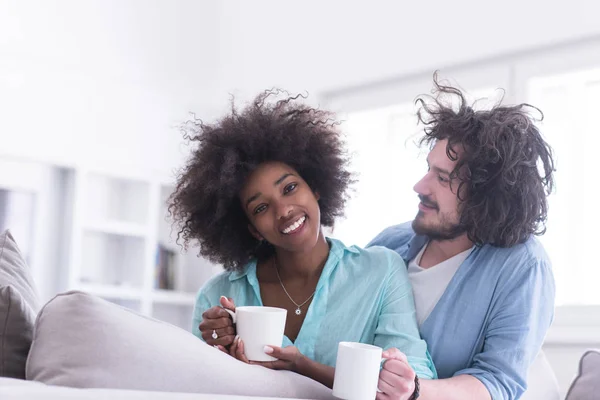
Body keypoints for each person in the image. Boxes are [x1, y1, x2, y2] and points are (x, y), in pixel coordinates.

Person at [168, 90, 436, 399]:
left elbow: (408, 380)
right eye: (260, 208)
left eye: (290, 188)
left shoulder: (380, 271)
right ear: (252, 229)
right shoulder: (218, 295)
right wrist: (219, 357)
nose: (283, 211)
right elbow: (195, 390)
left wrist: (302, 367)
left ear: (317, 187)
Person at [369, 76, 556, 400]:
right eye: (429, 169)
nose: (420, 186)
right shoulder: (391, 243)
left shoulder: (523, 267)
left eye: (442, 178)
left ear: (486, 196)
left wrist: (414, 390)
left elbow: (497, 381)